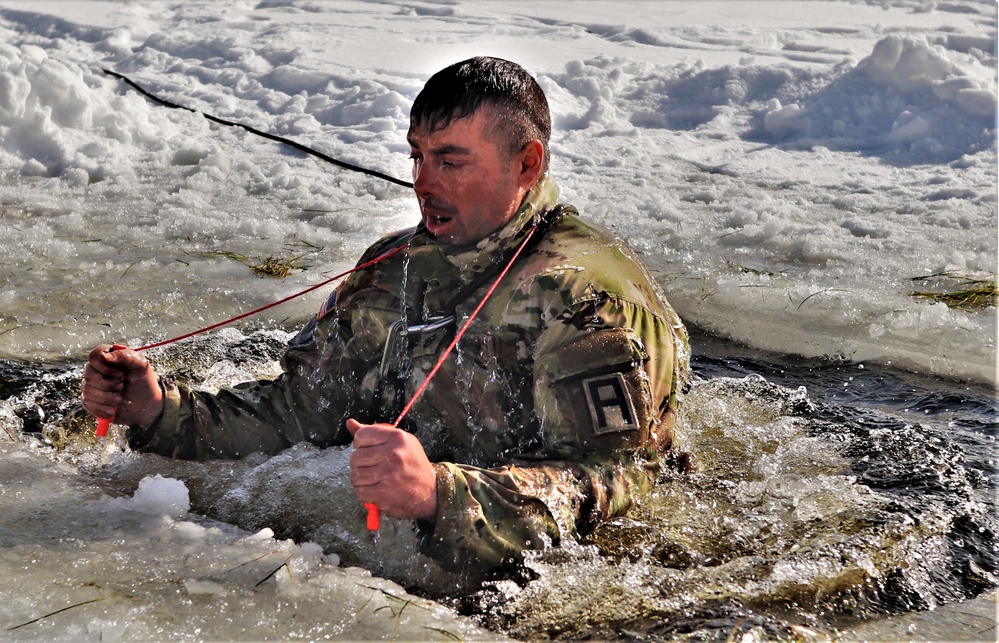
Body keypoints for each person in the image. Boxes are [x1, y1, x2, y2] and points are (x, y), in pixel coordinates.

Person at [81, 56, 690, 575]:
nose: (423, 183)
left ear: (526, 165)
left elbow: (616, 486)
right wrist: (161, 412)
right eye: (417, 157)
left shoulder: (585, 299)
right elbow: (303, 408)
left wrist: (439, 497)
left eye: (451, 161)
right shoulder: (392, 266)